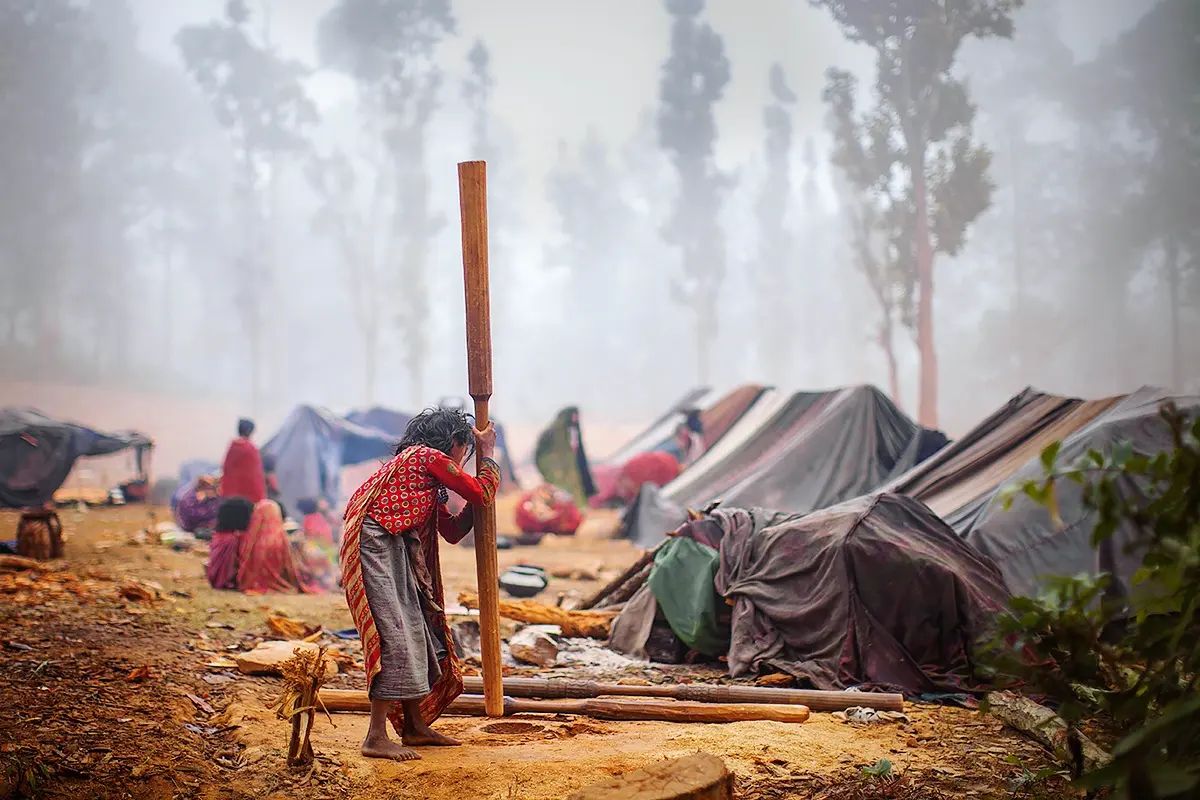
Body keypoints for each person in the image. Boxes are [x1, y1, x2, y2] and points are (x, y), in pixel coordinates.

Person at [340, 408, 500, 762]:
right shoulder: (426, 458)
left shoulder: (423, 482)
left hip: (393, 547)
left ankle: (414, 726)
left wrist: (478, 503)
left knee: (417, 630)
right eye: (465, 450)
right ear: (455, 442)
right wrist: (488, 455)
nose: (462, 459)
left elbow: (454, 531)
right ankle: (375, 736)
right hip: (375, 543)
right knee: (393, 634)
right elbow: (480, 490)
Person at [237, 499, 322, 594]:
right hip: (284, 582)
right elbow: (291, 568)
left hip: (253, 584)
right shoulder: (282, 539)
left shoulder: (251, 540)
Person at [220, 418, 266, 503]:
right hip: (249, 496)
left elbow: (226, 468)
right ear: (249, 431)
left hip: (230, 494)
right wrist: (260, 497)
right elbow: (255, 476)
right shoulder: (250, 449)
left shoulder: (232, 447)